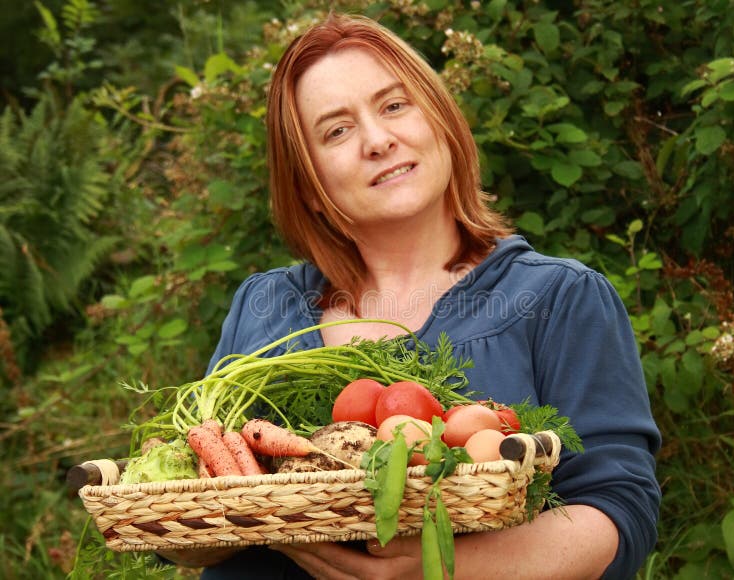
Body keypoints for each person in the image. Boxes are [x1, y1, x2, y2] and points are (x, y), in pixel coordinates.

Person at [179, 11, 660, 580]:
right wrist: (199, 526)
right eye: (337, 130)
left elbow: (619, 514)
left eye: (394, 105)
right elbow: (187, 511)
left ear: (439, 119)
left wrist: (439, 568)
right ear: (308, 186)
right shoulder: (267, 306)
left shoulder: (559, 298)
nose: (379, 140)